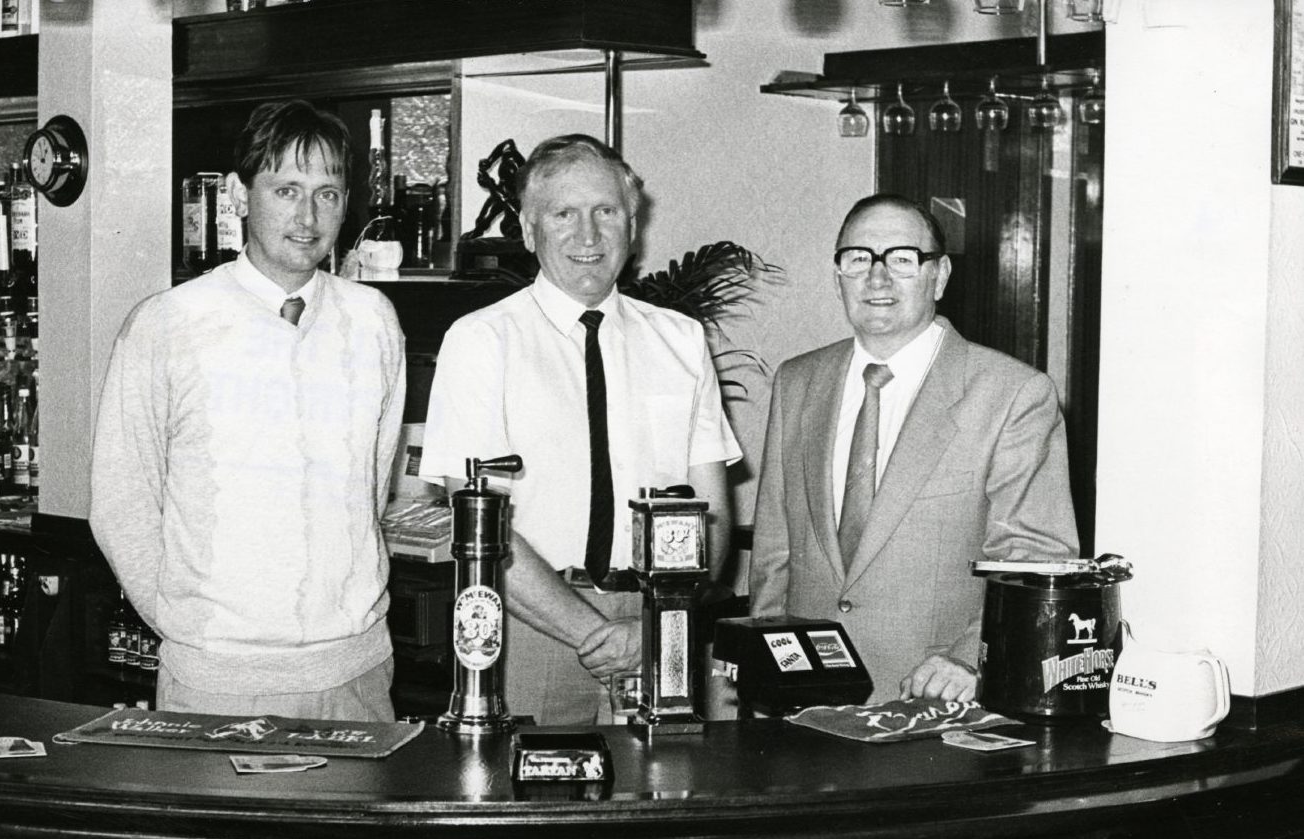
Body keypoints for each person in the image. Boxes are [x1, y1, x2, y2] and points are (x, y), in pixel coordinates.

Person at [90, 100, 406, 720]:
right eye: (286, 189)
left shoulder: (373, 322)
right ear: (239, 194)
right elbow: (120, 499)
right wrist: (196, 624)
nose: (308, 217)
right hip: (217, 681)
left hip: (358, 674)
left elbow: (370, 487)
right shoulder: (169, 324)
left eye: (328, 194)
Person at [420, 134, 741, 725]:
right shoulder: (482, 342)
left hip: (662, 628)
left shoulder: (681, 340)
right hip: (532, 631)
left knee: (662, 803)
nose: (588, 236)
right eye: (564, 214)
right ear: (527, 228)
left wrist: (657, 627)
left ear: (633, 223)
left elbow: (711, 514)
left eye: (606, 212)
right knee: (530, 809)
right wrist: (594, 632)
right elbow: (480, 523)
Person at [749, 193, 1078, 705]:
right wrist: (764, 674)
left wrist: (970, 657)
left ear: (939, 276)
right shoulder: (797, 382)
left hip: (933, 700)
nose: (877, 279)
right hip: (801, 703)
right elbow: (775, 553)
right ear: (838, 273)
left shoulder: (1011, 393)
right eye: (858, 258)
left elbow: (1034, 559)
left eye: (902, 259)